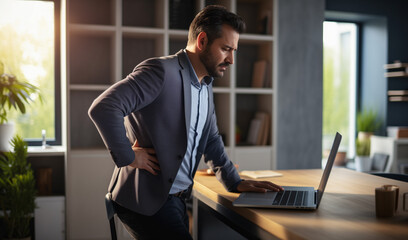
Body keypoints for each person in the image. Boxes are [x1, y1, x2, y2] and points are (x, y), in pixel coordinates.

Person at [88, 5, 282, 240]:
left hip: (177, 199)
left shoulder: (206, 83)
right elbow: (105, 107)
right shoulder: (160, 71)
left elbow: (210, 138)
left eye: (234, 50)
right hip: (146, 201)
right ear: (202, 41)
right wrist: (129, 157)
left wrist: (235, 181)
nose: (231, 59)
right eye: (225, 49)